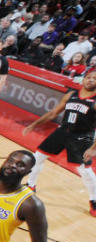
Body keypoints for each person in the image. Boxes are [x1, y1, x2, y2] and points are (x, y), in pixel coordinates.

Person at [23, 71, 96, 216]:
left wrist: (93, 148)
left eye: (95, 79)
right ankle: (31, 185)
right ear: (83, 79)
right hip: (63, 131)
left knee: (85, 172)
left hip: (81, 137)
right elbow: (53, 113)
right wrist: (34, 124)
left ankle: (94, 200)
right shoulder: (71, 95)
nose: (91, 80)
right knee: (37, 158)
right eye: (89, 77)